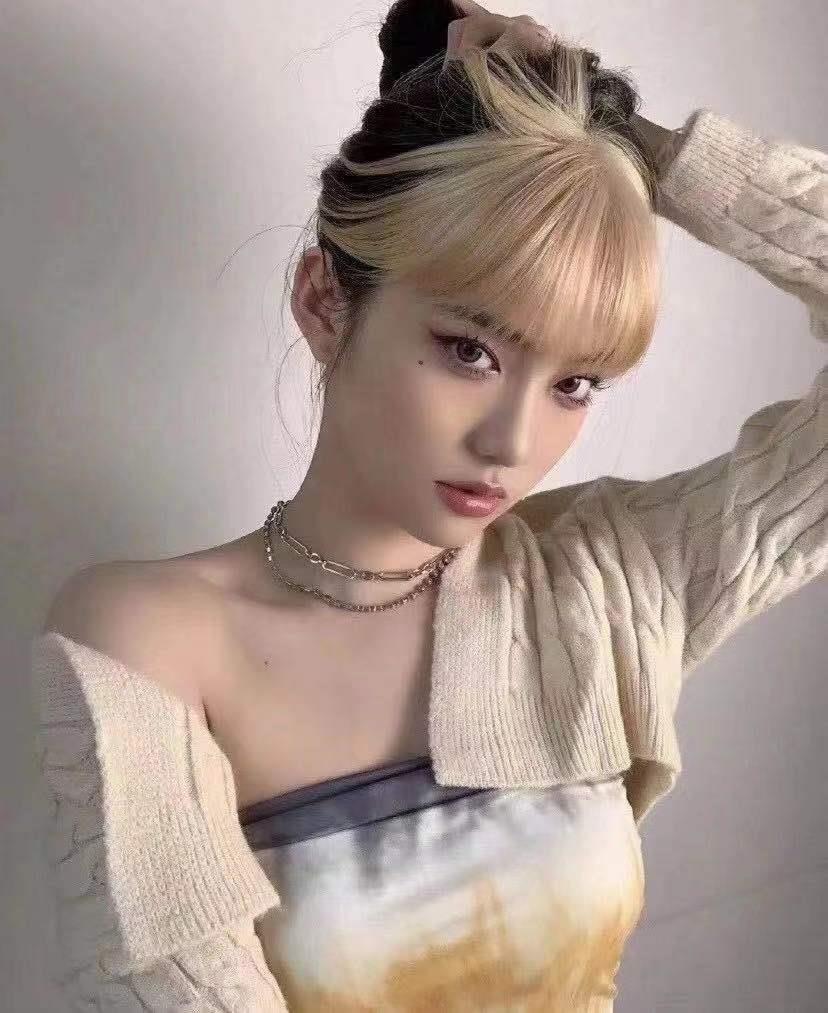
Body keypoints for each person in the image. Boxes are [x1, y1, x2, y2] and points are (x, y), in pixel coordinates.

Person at [30, 0, 826, 1009]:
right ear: (325, 301)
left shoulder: (607, 583)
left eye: (575, 383)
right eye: (469, 350)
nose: (512, 441)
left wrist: (630, 148)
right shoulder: (143, 640)